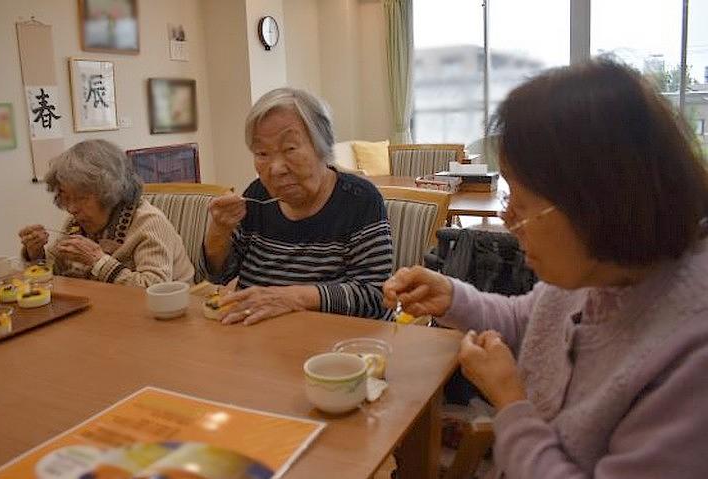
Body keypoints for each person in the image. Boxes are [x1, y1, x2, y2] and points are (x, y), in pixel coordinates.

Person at [384, 60, 708, 478]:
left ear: (596, 204)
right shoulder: (606, 268)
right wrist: (452, 296)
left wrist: (511, 403)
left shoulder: (689, 353)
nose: (508, 219)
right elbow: (531, 318)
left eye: (522, 201)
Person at [202, 87, 393, 325]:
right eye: (262, 153)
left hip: (335, 347)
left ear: (322, 146)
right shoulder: (256, 196)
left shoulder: (360, 200)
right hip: (258, 341)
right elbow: (221, 276)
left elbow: (374, 296)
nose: (276, 168)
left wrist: (291, 298)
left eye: (290, 149)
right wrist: (219, 232)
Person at [18, 139, 194, 287]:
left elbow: (154, 287)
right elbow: (59, 271)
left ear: (110, 192)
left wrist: (98, 261)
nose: (71, 208)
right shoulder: (76, 223)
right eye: (65, 197)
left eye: (81, 198)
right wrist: (36, 254)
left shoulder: (149, 222)